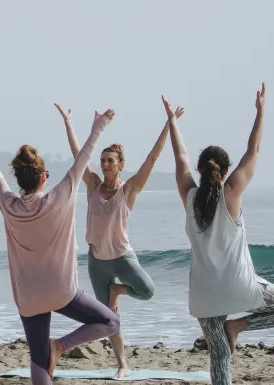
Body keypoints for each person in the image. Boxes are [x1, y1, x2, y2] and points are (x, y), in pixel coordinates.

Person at [163, 83, 274, 385]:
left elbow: (180, 157)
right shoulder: (232, 192)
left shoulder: (189, 196)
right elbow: (253, 150)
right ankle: (239, 326)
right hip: (240, 286)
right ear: (225, 170)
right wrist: (261, 110)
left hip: (204, 295)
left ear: (200, 171)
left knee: (219, 358)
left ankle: (232, 330)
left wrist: (172, 123)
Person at [0, 109, 121, 385]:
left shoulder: (8, 203)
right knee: (111, 323)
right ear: (43, 178)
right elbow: (83, 158)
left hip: (28, 297)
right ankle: (60, 346)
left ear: (21, 180)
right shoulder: (59, 197)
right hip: (62, 292)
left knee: (38, 360)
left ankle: (50, 351)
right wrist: (99, 126)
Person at [55, 102, 184, 377]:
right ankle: (122, 365)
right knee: (110, 320)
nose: (103, 164)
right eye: (102, 160)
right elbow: (79, 154)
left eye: (109, 160)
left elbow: (152, 158)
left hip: (123, 258)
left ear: (121, 165)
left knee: (147, 291)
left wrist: (168, 124)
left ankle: (118, 291)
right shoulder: (91, 184)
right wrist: (68, 121)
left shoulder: (130, 190)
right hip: (97, 262)